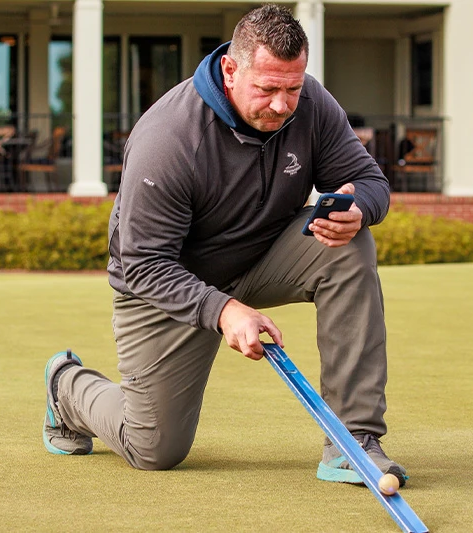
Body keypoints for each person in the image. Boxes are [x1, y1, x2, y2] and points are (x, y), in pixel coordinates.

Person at [42, 4, 406, 487]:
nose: (282, 105)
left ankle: (352, 441)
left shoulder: (310, 104)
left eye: (292, 88)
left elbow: (368, 179)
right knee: (154, 448)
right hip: (168, 281)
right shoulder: (168, 137)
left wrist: (359, 210)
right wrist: (224, 310)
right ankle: (66, 387)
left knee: (349, 244)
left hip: (261, 257)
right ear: (231, 70)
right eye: (268, 89)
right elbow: (142, 263)